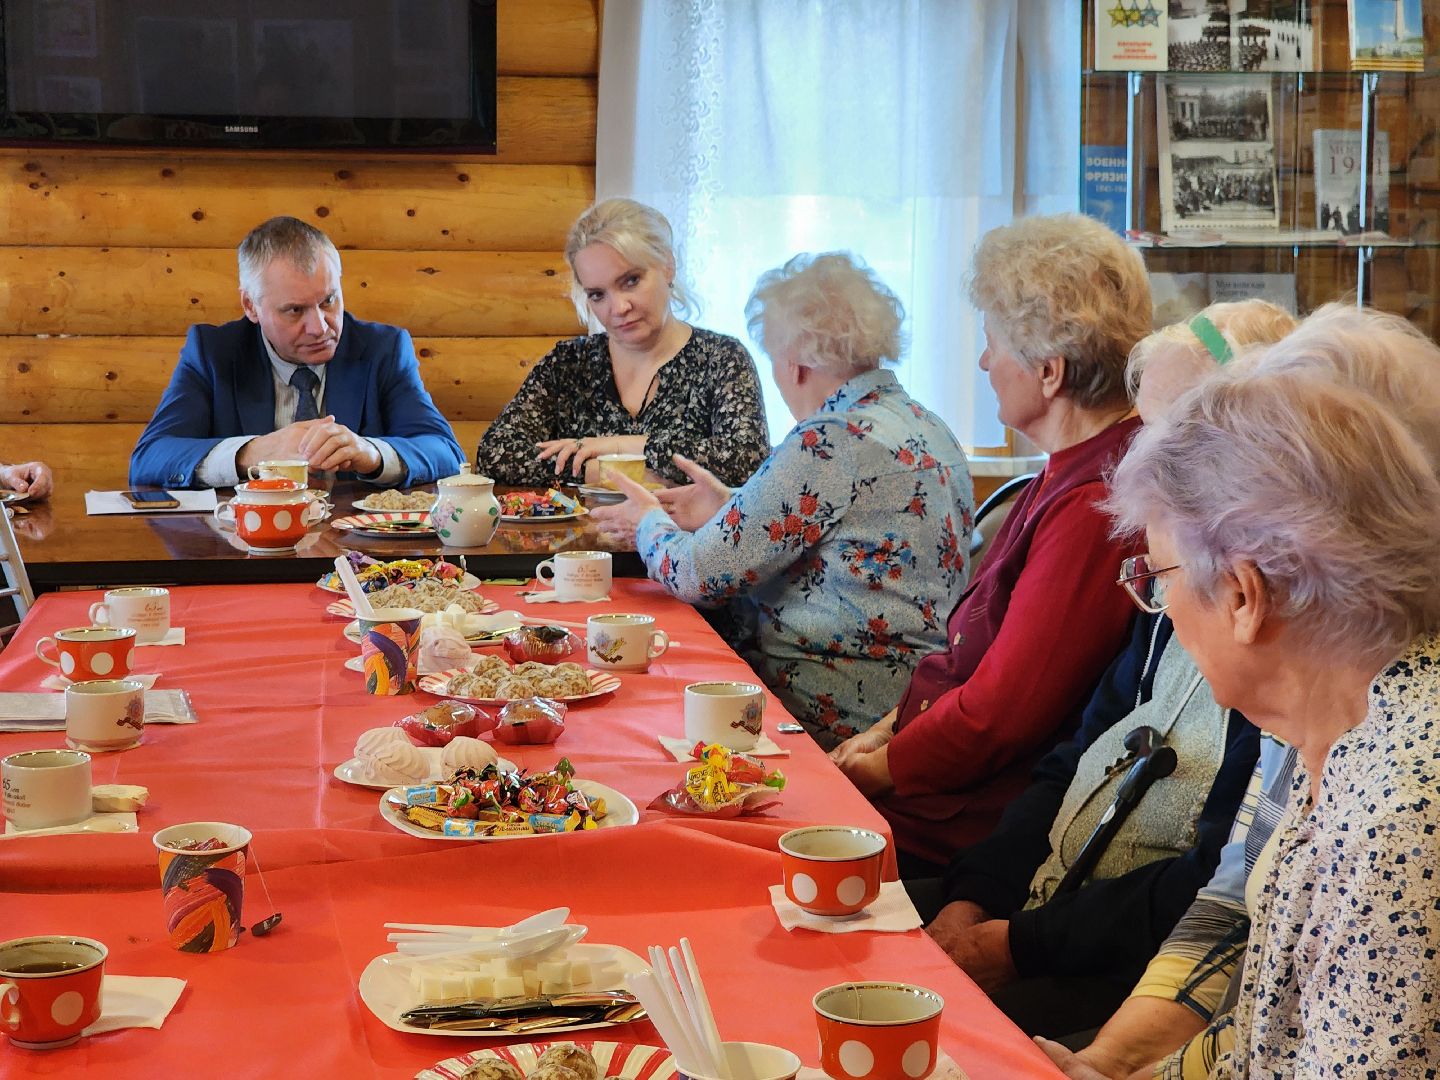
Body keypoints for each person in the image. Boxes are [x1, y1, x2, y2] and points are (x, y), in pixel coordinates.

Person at [1043, 303, 1440, 1080]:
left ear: (1243, 596)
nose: (1156, 609)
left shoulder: (1396, 816)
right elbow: (1264, 1039)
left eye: (1155, 578)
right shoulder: (1326, 731)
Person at [915, 301, 1295, 1040]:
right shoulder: (1173, 580)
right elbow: (1077, 760)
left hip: (1120, 967)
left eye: (1162, 435)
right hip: (1045, 919)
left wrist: (1014, 946)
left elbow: (1218, 888)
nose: (1135, 464)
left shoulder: (1267, 630)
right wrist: (974, 900)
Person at [828, 213, 1151, 875]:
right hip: (943, 784)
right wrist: (889, 732)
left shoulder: (1095, 504)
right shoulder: (1072, 467)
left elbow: (1001, 717)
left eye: (993, 343)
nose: (983, 361)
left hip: (971, 828)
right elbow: (973, 663)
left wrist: (881, 770)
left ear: (1050, 372)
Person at [589, 252, 972, 746]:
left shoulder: (830, 438)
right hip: (910, 697)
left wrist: (646, 520)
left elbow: (695, 576)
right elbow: (841, 536)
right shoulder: (925, 422)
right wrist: (729, 505)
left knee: (629, 714)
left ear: (794, 364)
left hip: (831, 711)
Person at [129, 216, 464, 489]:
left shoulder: (382, 349)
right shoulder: (214, 352)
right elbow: (150, 458)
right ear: (251, 306)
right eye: (294, 310)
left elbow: (445, 451)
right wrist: (252, 452)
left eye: (328, 300)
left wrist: (371, 453)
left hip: (359, 554)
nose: (320, 327)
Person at [474, 198, 769, 488]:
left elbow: (746, 460)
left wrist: (622, 445)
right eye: (597, 295)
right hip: (577, 537)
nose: (618, 308)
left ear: (668, 266)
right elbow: (496, 453)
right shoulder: (568, 364)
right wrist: (608, 473)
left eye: (630, 281)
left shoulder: (721, 359)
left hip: (686, 537)